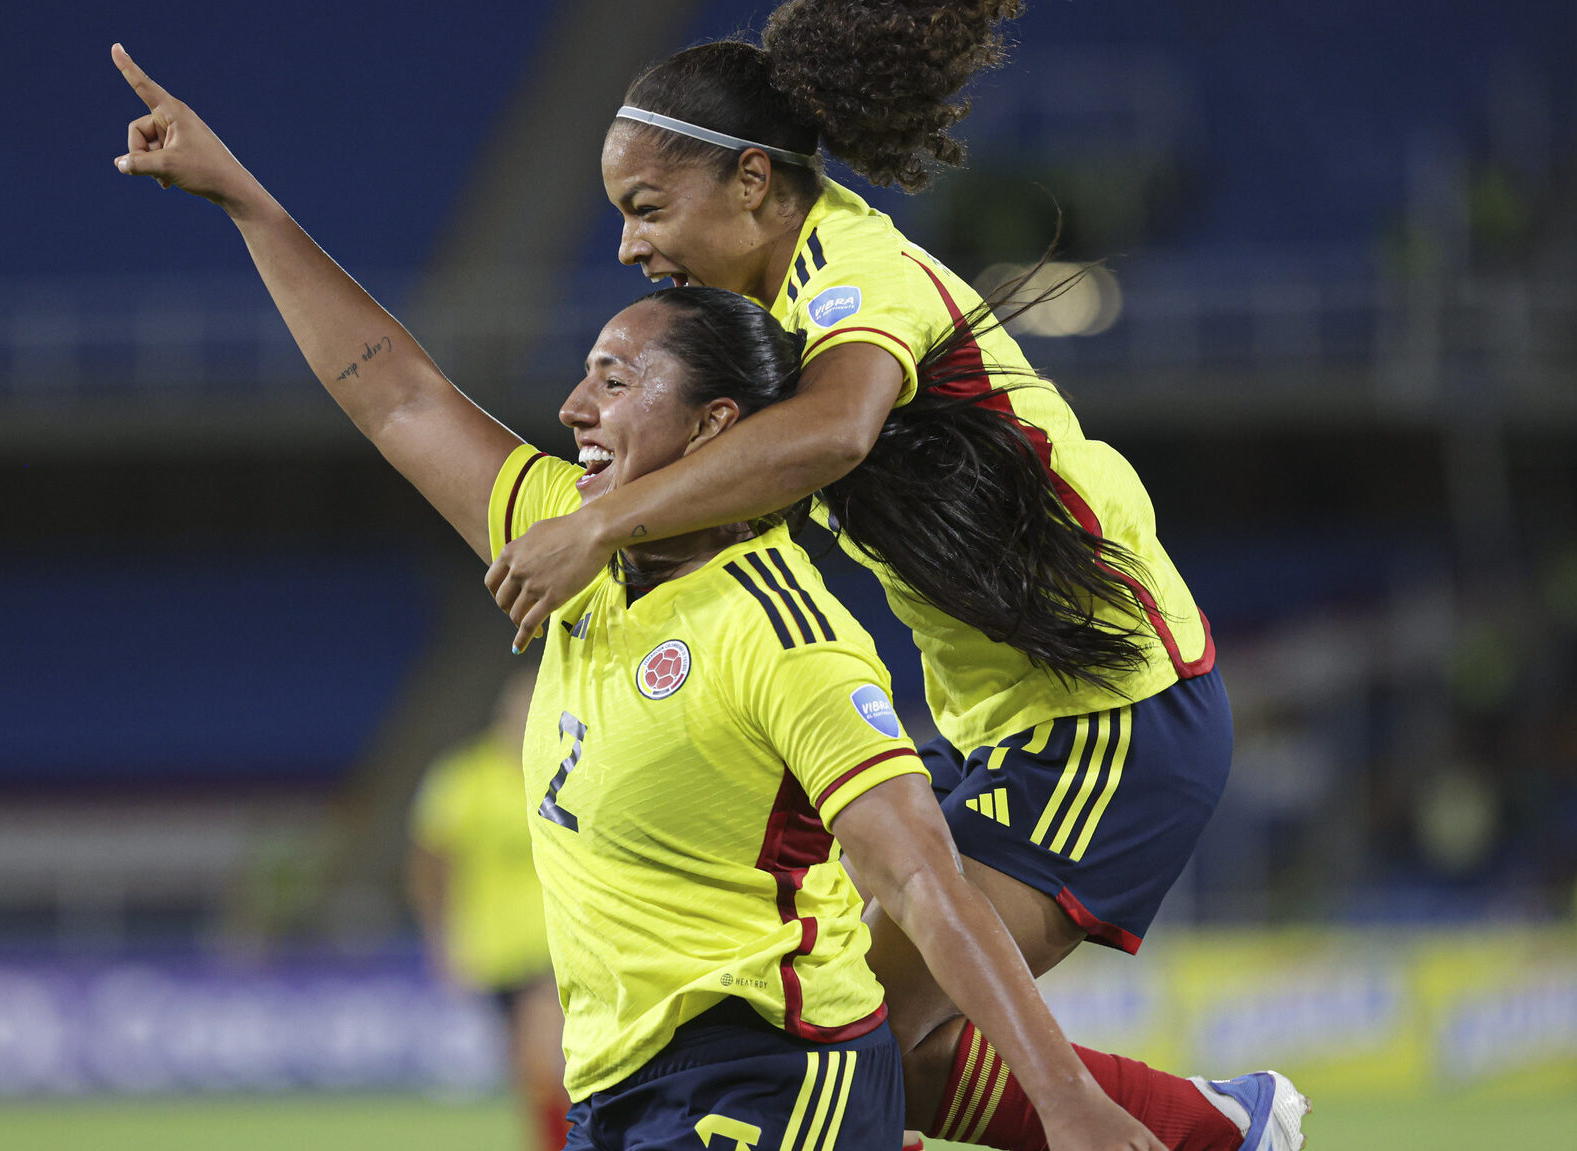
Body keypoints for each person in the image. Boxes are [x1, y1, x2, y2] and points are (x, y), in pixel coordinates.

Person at [109, 43, 1180, 1151]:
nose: (574, 406)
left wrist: (1064, 1103)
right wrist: (246, 203)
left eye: (616, 380)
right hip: (614, 1095)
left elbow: (915, 873)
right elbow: (394, 392)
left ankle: (1205, 1130)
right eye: (585, 373)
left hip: (765, 1077)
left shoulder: (773, 626)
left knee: (910, 1049)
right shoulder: (565, 536)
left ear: (717, 425)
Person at [481, 4, 1309, 1150]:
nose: (629, 245)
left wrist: (600, 526)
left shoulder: (852, 270)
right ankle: (1216, 1126)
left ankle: (1217, 1130)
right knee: (864, 1047)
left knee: (858, 1039)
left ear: (756, 184)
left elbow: (837, 431)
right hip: (1025, 716)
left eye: (648, 207)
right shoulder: (759, 324)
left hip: (1109, 710)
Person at [408, 667, 569, 1151]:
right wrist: (440, 937)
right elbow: (428, 865)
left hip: (556, 948)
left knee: (551, 1062)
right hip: (495, 952)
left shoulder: (565, 767)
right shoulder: (463, 780)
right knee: (532, 1073)